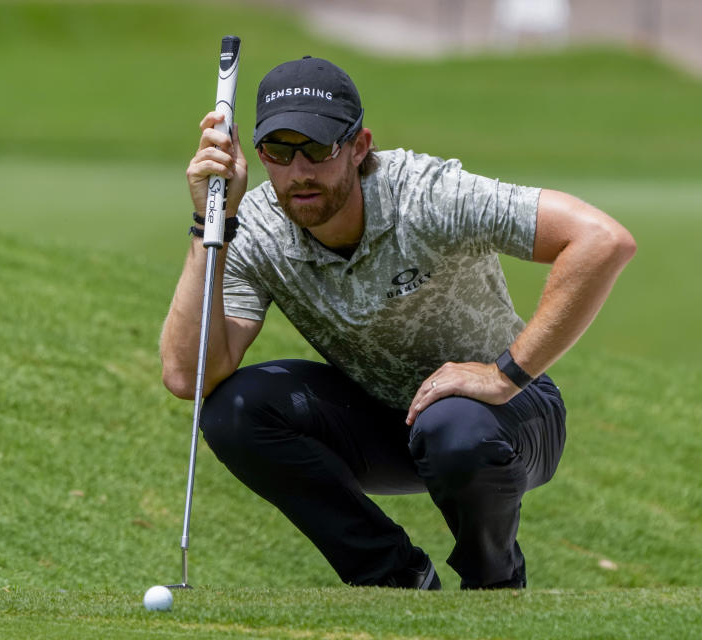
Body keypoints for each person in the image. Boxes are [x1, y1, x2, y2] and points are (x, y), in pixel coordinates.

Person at [159, 56, 635, 590]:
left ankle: (494, 589)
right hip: (387, 420)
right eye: (279, 152)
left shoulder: (426, 194)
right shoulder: (256, 226)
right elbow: (189, 376)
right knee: (234, 410)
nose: (300, 172)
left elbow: (601, 240)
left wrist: (502, 376)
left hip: (508, 416)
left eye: (318, 149)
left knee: (454, 426)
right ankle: (396, 580)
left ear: (360, 147)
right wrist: (210, 223)